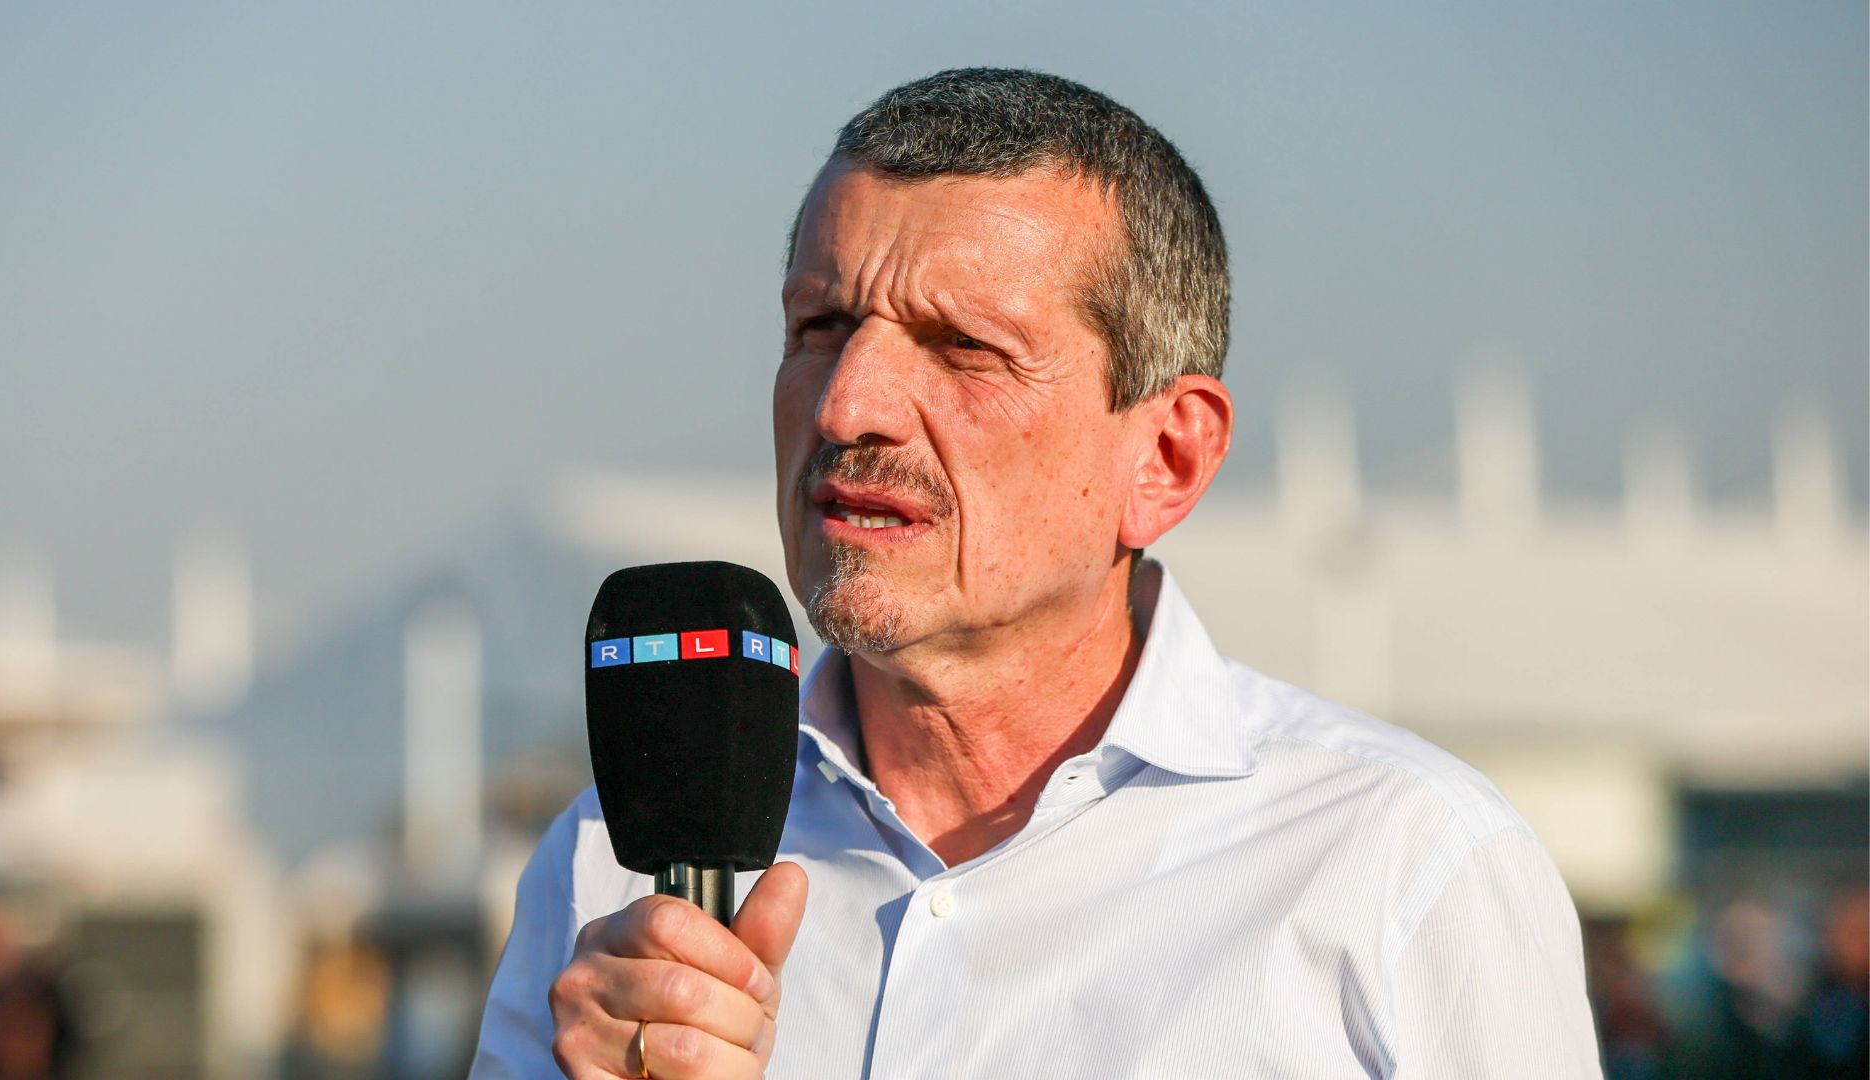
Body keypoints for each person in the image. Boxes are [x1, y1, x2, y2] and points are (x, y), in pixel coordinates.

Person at [471, 68, 1601, 1078]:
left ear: (1165, 457)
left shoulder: (1400, 865)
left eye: (964, 347)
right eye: (820, 325)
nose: (848, 404)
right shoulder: (613, 875)